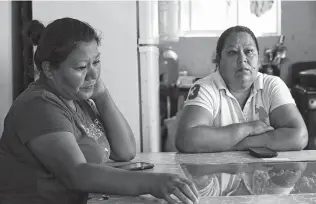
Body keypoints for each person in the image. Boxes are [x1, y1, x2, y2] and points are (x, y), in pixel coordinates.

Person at [0, 18, 199, 204]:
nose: (93, 74)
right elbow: (77, 173)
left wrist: (102, 95)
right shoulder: (39, 106)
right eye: (80, 67)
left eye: (96, 62)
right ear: (49, 70)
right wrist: (152, 183)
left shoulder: (77, 97)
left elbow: (125, 152)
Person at [175, 25, 308, 153]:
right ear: (218, 60)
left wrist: (232, 144)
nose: (242, 59)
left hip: (265, 173)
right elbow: (187, 139)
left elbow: (298, 136)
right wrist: (248, 128)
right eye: (232, 53)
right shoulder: (205, 87)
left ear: (259, 59)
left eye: (249, 51)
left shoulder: (272, 84)